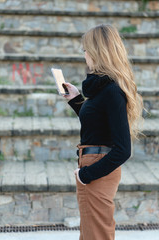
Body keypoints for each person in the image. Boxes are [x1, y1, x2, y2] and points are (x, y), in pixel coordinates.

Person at [63, 24, 144, 240]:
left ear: (97, 52)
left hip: (96, 169)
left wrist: (86, 175)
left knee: (96, 235)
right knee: (91, 233)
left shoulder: (112, 91)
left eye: (86, 50)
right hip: (91, 163)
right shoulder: (102, 89)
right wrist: (76, 100)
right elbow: (95, 125)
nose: (85, 55)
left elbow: (123, 150)